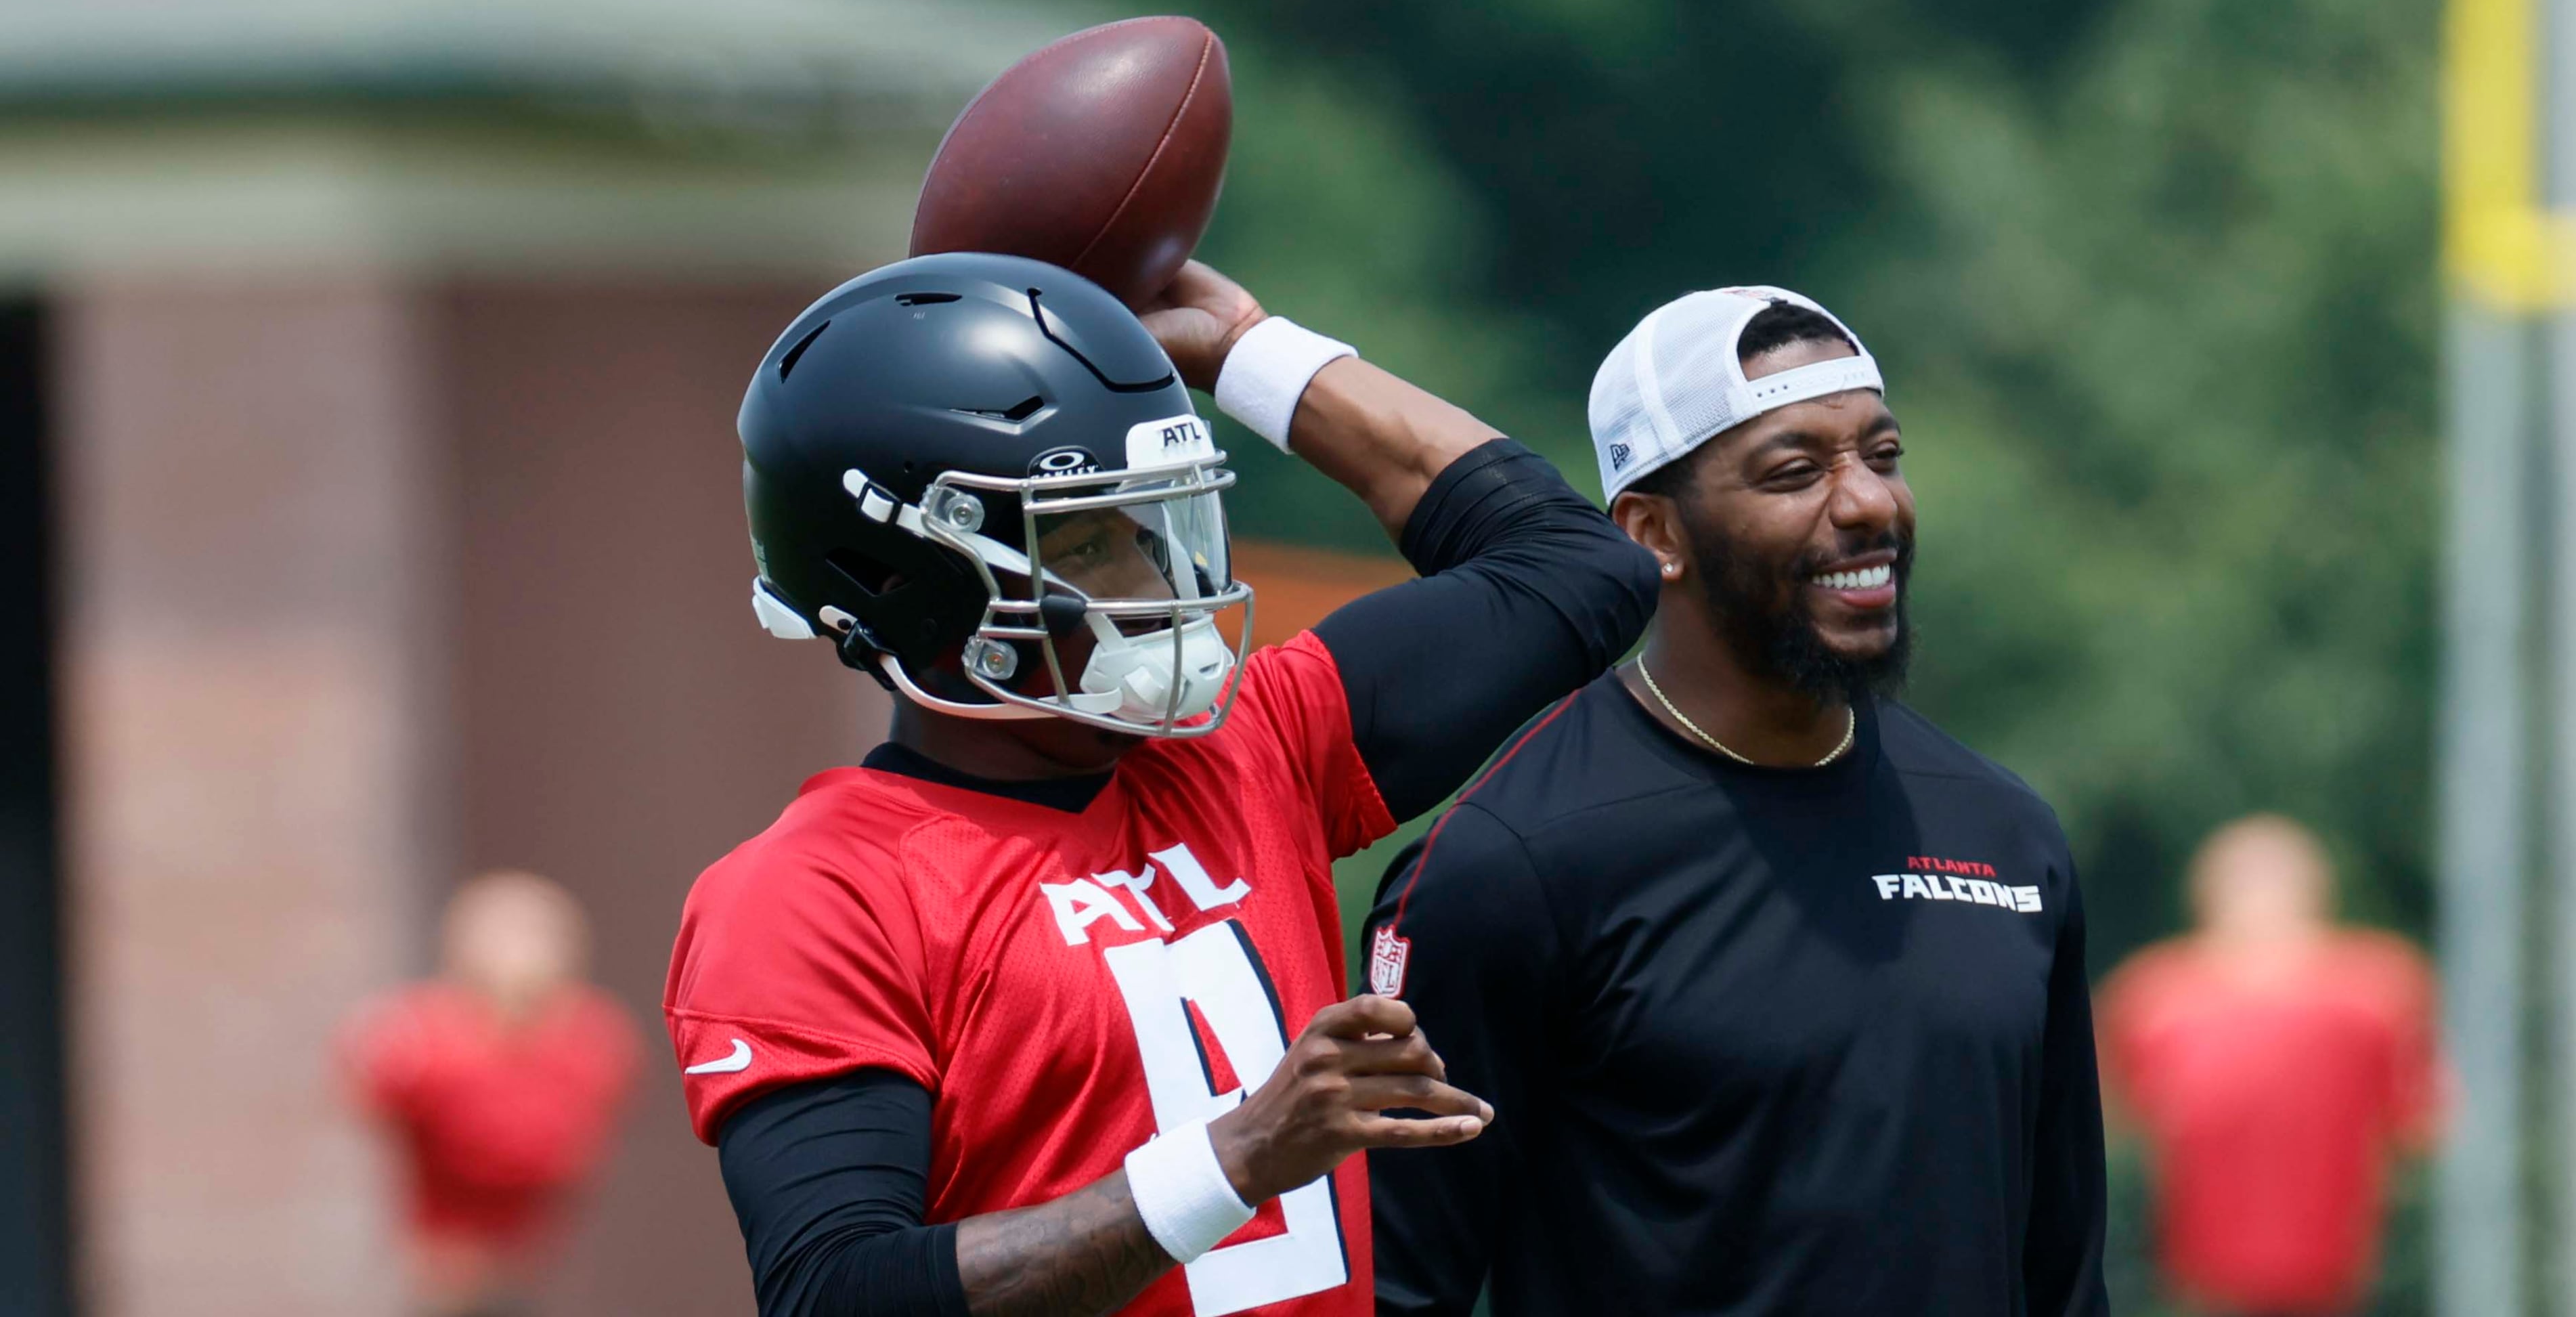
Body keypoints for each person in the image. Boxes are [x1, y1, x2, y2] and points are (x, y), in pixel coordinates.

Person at [663, 252, 1655, 1317]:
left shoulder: (1246, 753)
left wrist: (1249, 355)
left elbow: (1579, 567)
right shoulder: (816, 892)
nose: (1158, 583)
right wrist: (1232, 1162)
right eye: (1090, 542)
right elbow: (834, 1296)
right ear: (915, 588)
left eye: (1153, 527)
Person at [1361, 286, 2110, 1316]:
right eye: (1797, 472)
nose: (1869, 504)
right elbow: (1391, 1290)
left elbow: (2064, 1280)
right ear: (1654, 532)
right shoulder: (1512, 862)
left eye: (1883, 456)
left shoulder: (2007, 836)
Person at [2099, 814, 2440, 1317]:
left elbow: (2417, 1123)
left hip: (2329, 1271)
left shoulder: (2380, 989)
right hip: (2208, 1269)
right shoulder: (2151, 997)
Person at [340, 871, 641, 1317]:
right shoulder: (416, 1042)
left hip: (524, 1264)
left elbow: (550, 1151)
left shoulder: (594, 1041)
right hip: (445, 1272)